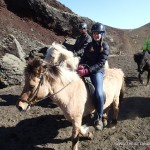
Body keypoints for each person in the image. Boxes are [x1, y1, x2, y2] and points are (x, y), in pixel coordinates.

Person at [77, 22, 110, 130]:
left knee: (99, 93)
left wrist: (87, 71)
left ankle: (99, 118)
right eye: (94, 33)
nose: (96, 35)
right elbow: (83, 58)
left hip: (97, 72)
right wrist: (80, 66)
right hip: (86, 70)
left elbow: (100, 63)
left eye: (98, 33)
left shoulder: (105, 47)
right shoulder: (89, 46)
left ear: (102, 34)